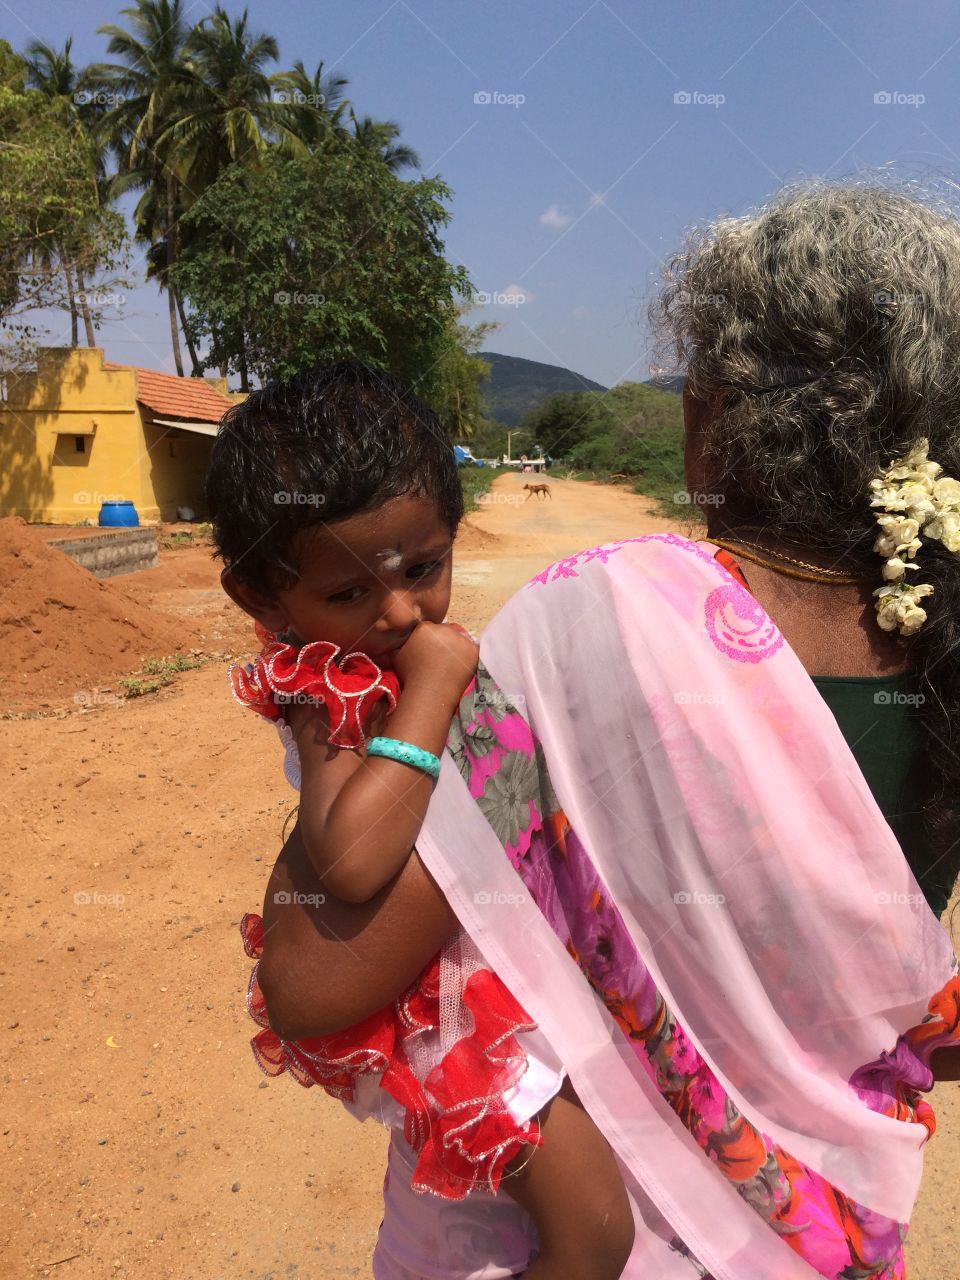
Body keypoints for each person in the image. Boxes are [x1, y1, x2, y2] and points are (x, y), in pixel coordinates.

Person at [253, 183, 960, 1279]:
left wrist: (324, 721)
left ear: (708, 416)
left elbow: (312, 987)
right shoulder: (946, 650)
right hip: (822, 1239)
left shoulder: (600, 619)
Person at [207, 365, 635, 1280]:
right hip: (443, 1017)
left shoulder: (380, 647)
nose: (400, 612)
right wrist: (435, 688)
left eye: (423, 570)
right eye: (350, 593)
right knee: (594, 1231)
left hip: (495, 975)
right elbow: (353, 859)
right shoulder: (328, 688)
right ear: (263, 600)